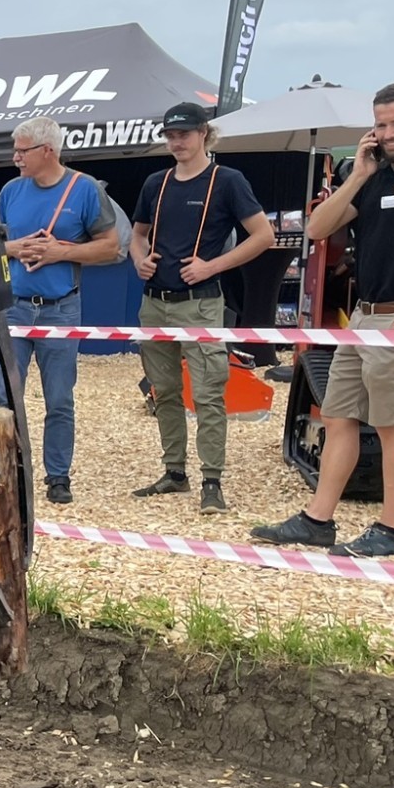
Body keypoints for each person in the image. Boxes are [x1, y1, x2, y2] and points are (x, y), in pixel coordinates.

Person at [251, 82, 394, 558]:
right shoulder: (370, 175)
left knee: (392, 424)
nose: (389, 132)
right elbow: (315, 228)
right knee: (338, 414)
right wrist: (355, 175)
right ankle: (318, 519)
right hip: (364, 315)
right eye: (381, 124)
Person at [129, 102, 276, 513]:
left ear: (204, 134)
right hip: (155, 302)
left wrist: (213, 265)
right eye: (171, 135)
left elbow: (262, 236)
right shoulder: (155, 183)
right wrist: (139, 260)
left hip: (201, 304)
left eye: (185, 134)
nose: (177, 141)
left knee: (209, 393)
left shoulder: (227, 180)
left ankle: (212, 479)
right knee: (165, 391)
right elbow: (136, 236)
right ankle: (174, 471)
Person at [0, 116, 123, 505]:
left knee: (60, 399)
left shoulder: (84, 190)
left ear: (47, 151)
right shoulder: (10, 191)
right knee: (4, 398)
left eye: (22, 150)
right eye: (15, 150)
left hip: (60, 309)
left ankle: (58, 477)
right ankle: (7, 473)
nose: (15, 157)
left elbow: (110, 248)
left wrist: (61, 253)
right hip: (13, 309)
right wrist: (13, 249)